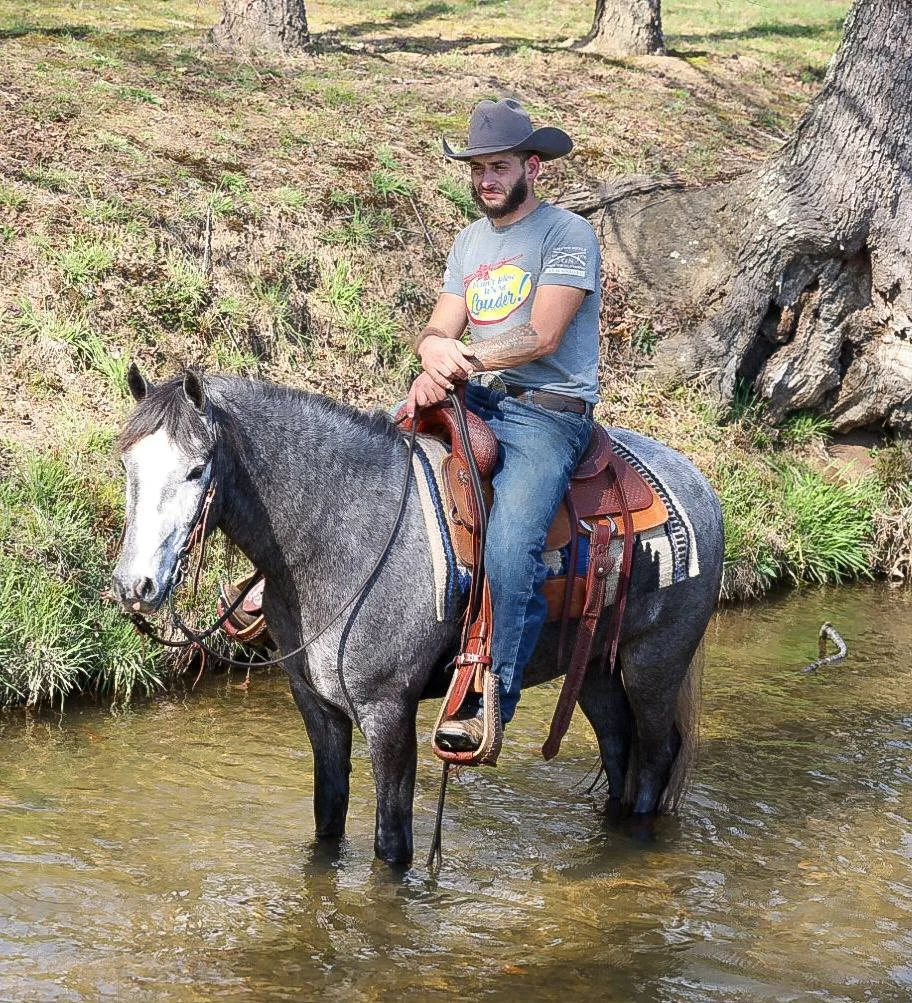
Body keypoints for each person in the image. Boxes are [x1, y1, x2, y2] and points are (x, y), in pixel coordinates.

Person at [406, 98, 601, 752]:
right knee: (379, 454)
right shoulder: (469, 242)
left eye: (499, 166)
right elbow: (441, 324)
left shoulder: (566, 235)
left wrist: (461, 361)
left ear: (532, 166)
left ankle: (493, 695)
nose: (486, 179)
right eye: (477, 168)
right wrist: (433, 354)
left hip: (548, 416)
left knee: (512, 542)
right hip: (481, 396)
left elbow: (542, 334)